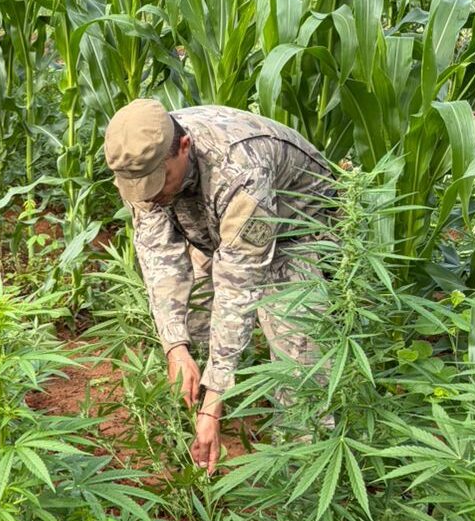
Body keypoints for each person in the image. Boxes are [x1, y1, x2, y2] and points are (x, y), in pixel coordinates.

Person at [103, 99, 335, 473]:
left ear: (183, 146)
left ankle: (303, 469)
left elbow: (238, 285)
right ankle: (196, 445)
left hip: (294, 230)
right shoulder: (142, 160)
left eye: (158, 183)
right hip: (212, 225)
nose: (149, 194)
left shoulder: (241, 170)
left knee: (298, 360)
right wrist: (174, 346)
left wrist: (215, 398)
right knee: (191, 326)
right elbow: (159, 257)